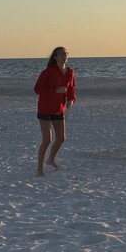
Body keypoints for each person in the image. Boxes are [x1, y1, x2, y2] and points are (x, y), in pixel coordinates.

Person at [33, 46, 76, 176]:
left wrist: (71, 99)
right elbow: (37, 89)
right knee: (47, 140)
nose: (65, 55)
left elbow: (72, 88)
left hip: (59, 108)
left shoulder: (69, 72)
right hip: (45, 108)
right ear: (55, 57)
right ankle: (40, 169)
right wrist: (55, 91)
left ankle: (51, 159)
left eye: (66, 53)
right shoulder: (48, 72)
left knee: (61, 138)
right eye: (62, 53)